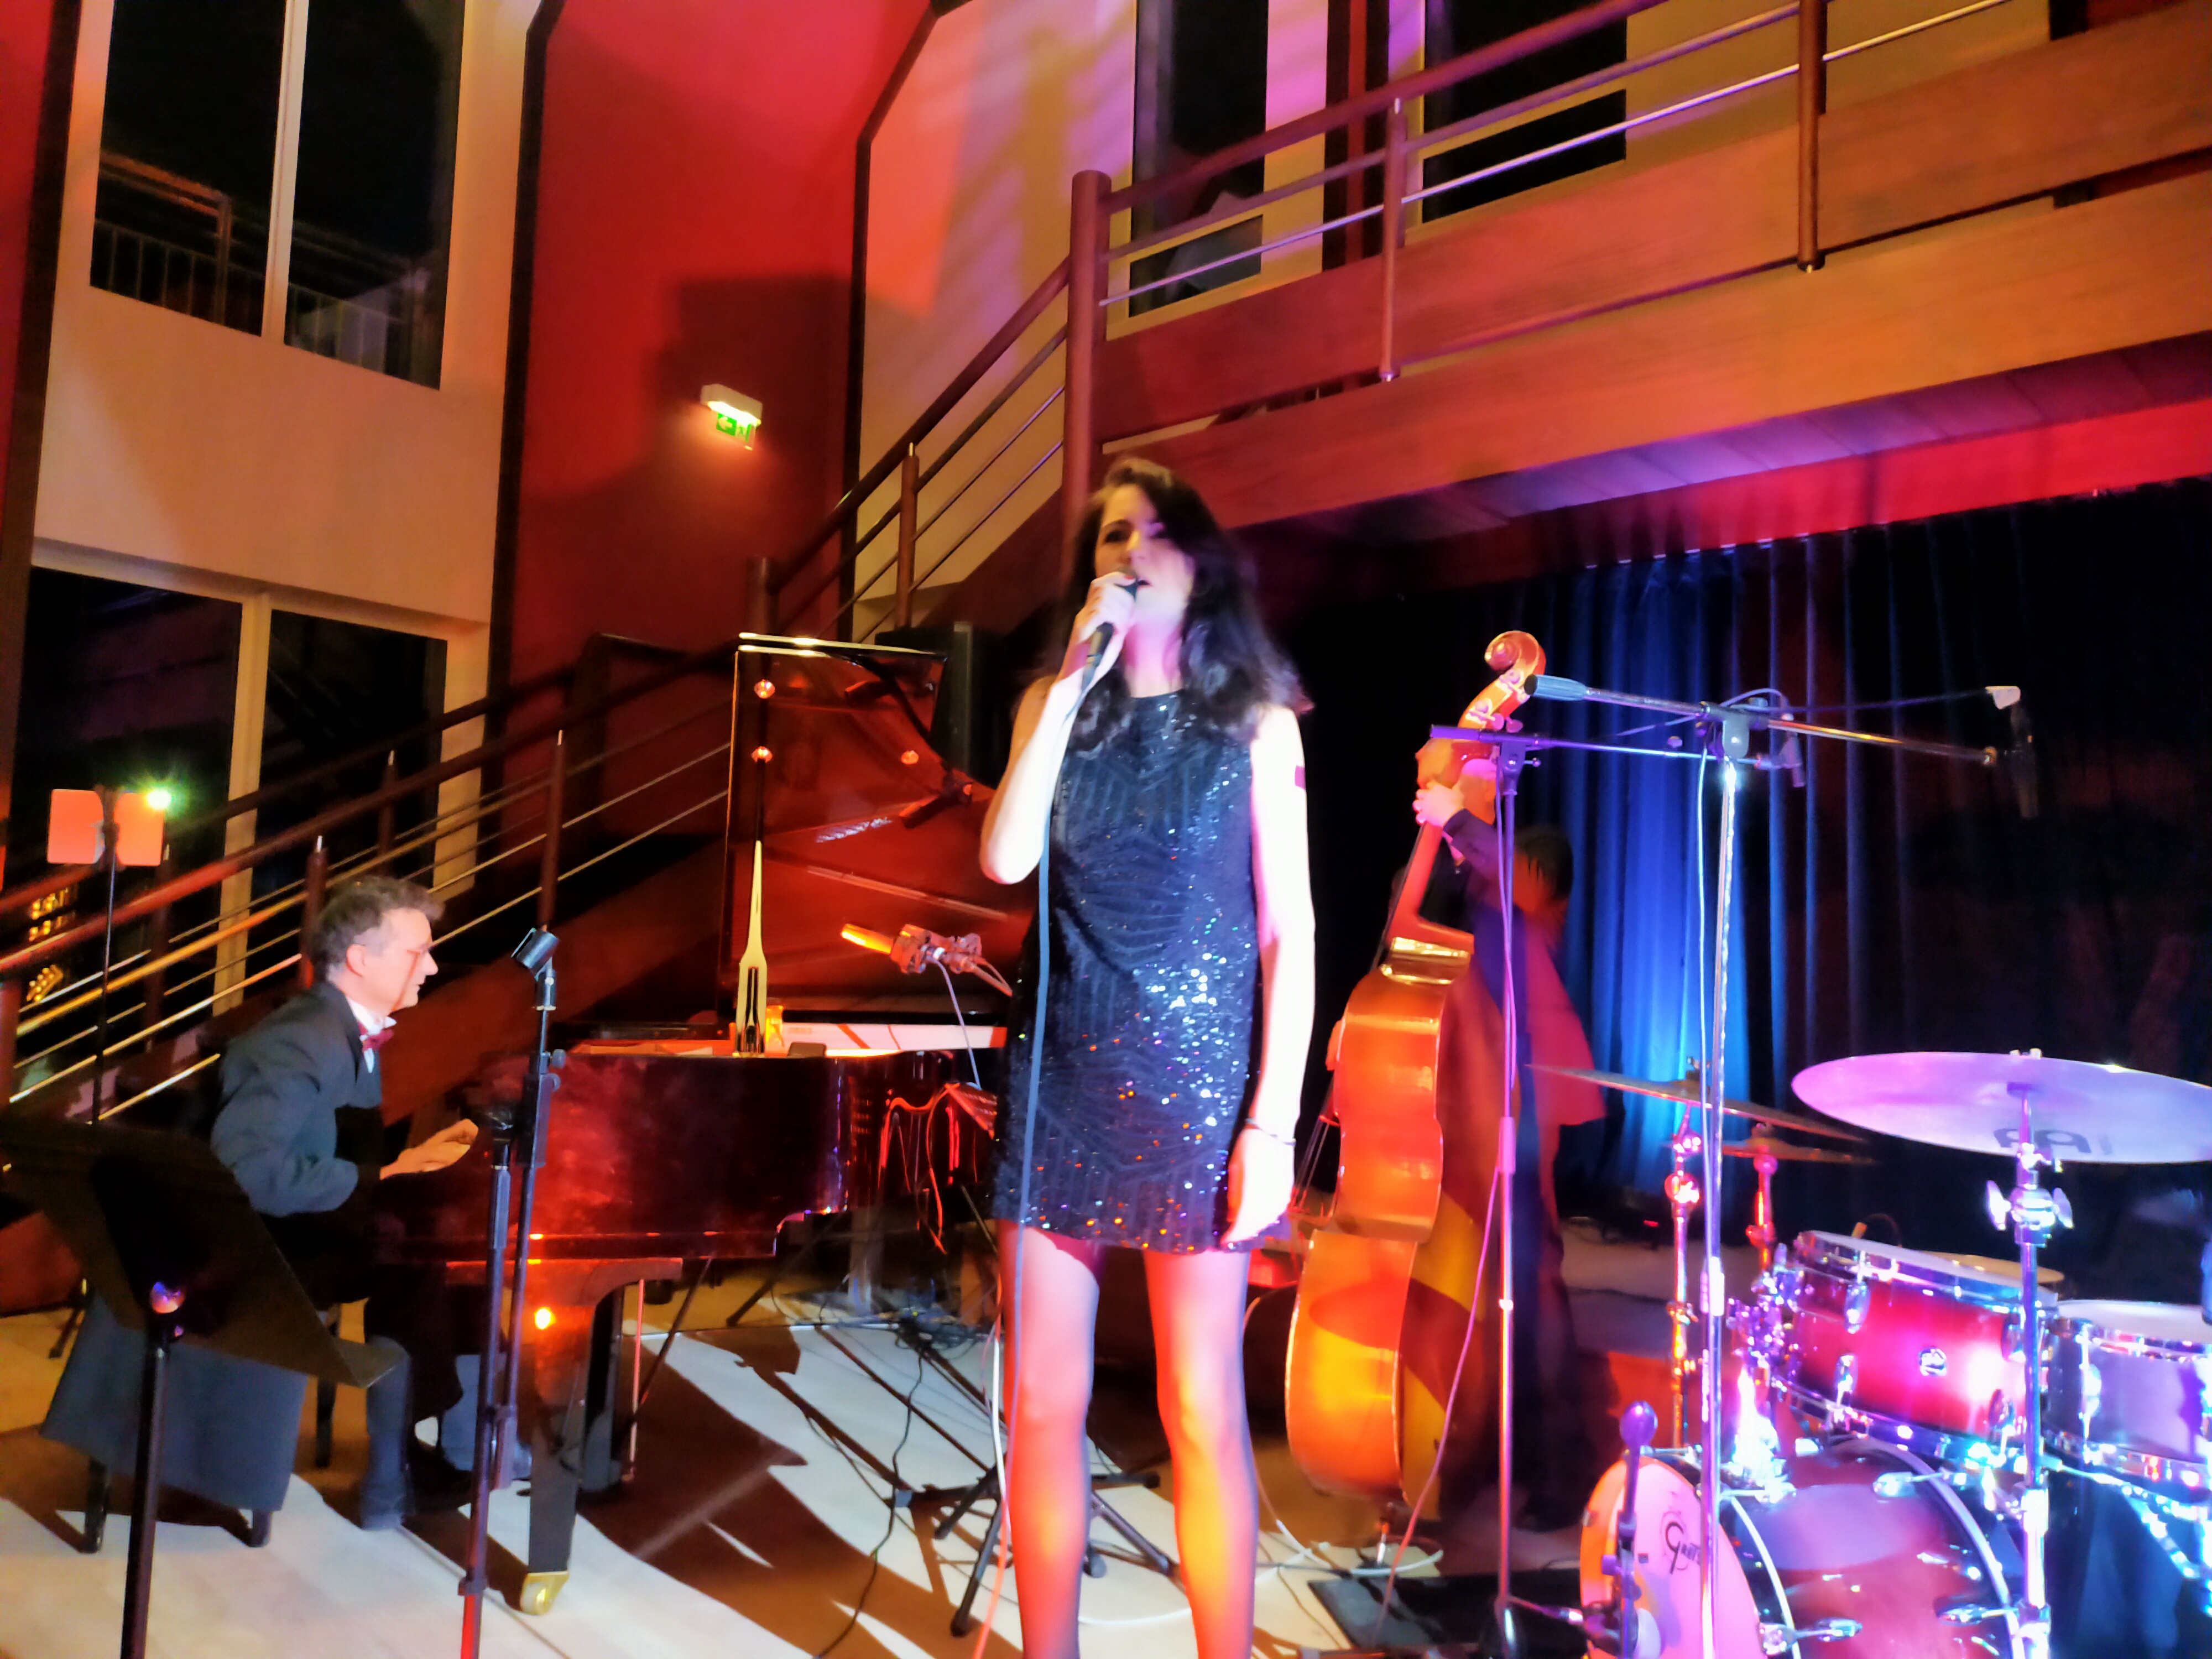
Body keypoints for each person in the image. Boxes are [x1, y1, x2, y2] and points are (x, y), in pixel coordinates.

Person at [979, 456, 1313, 1659]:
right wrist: (1071, 684)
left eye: (1155, 531)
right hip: (1061, 1082)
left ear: (1202, 560)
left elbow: (1287, 932)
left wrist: (1271, 1123)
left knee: (1200, 1408)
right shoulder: (1053, 704)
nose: (1130, 553)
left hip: (1200, 1095)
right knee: (1041, 1405)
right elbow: (1005, 862)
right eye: (1111, 537)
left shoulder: (1256, 720)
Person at [44, 875, 481, 1531]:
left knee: (448, 1247)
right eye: (418, 952)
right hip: (255, 1247)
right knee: (422, 1253)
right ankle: (406, 1475)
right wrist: (387, 1173)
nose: (433, 966)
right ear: (359, 960)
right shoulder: (298, 1040)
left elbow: (328, 1149)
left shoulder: (344, 1029)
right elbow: (247, 1171)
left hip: (300, 1225)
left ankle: (442, 1458)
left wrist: (399, 1170)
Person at [1410, 755, 1604, 1533]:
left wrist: (1458, 820)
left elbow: (1518, 878)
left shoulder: (1536, 854)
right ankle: (1476, 1445)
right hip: (1457, 1100)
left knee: (1532, 1282)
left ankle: (1562, 1462)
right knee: (1482, 1283)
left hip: (1520, 1095)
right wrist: (1439, 846)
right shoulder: (1459, 874)